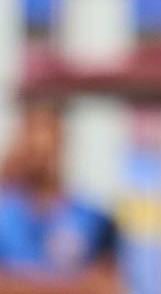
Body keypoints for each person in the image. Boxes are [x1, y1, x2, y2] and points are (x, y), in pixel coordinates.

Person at [0, 100, 122, 294]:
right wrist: (77, 285)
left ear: (62, 140)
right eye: (32, 132)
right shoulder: (5, 215)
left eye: (49, 131)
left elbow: (108, 286)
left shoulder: (94, 219)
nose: (40, 147)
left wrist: (20, 282)